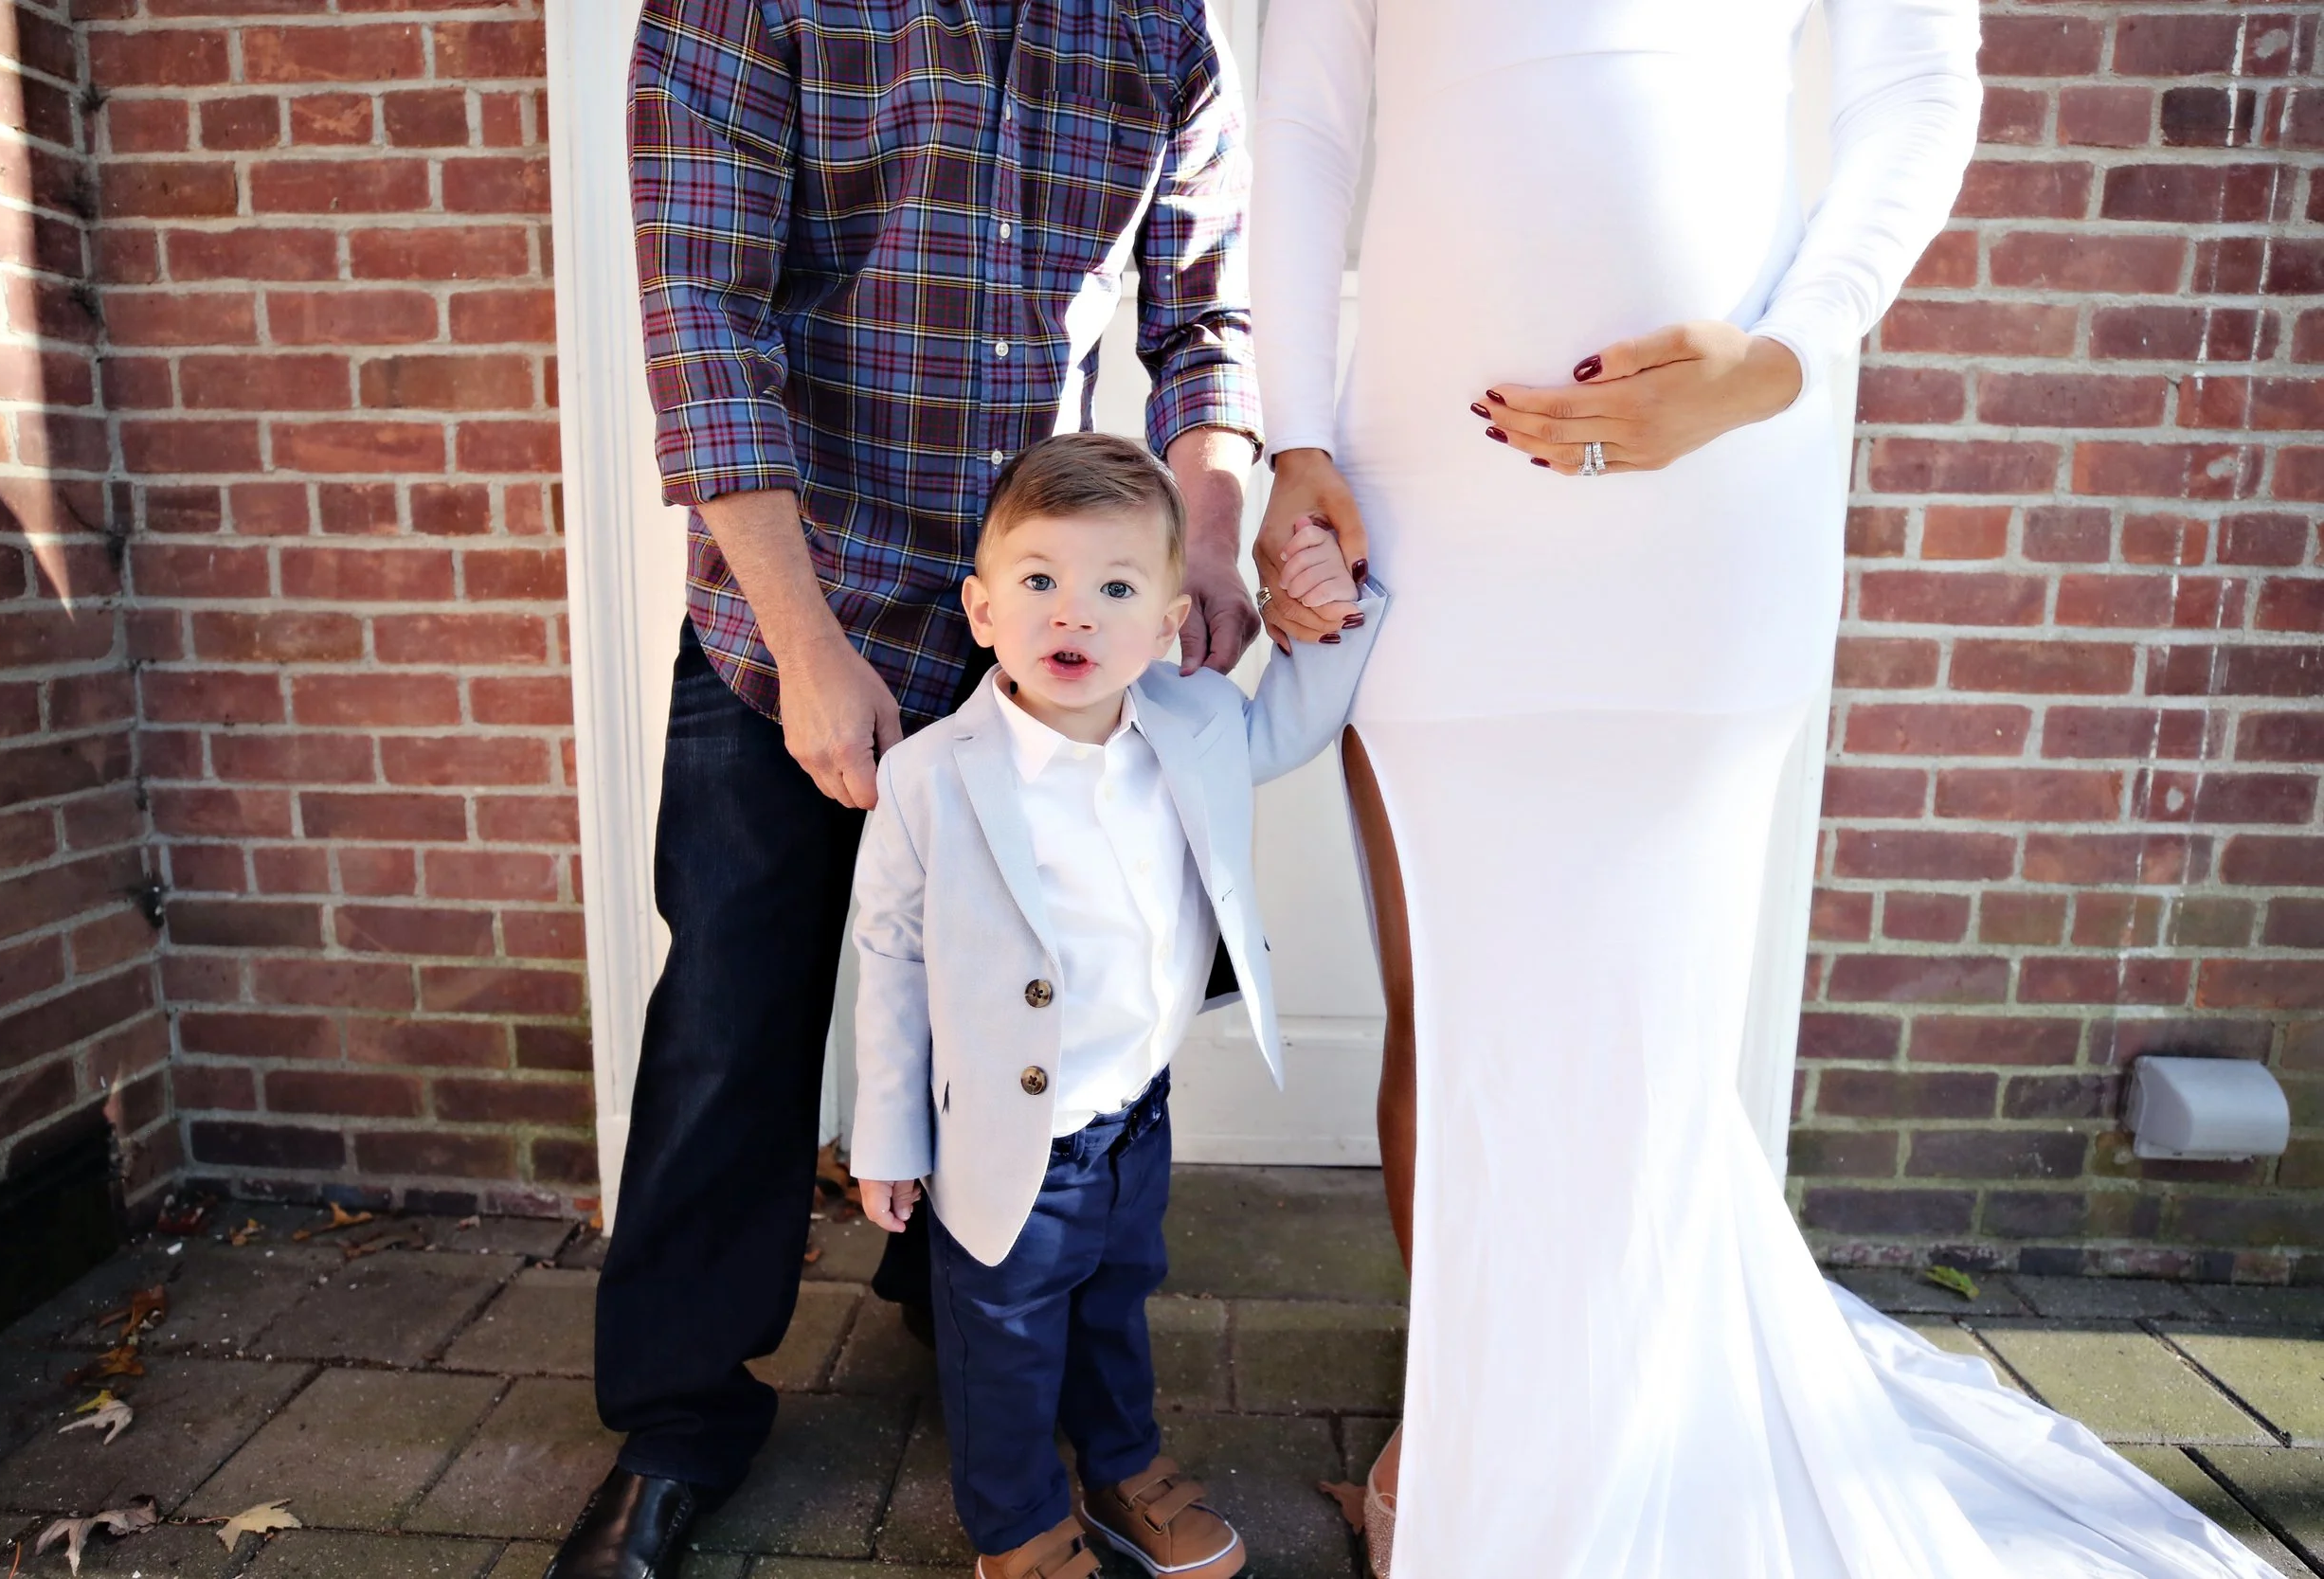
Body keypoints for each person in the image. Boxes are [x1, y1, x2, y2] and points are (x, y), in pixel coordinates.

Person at [1248, 1, 2285, 1576]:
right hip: (1436, 501)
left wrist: (1788, 356)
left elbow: (1920, 87)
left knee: (1654, 1022)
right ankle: (1464, 1440)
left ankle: (1620, 1446)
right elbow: (1307, 122)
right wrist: (1294, 433)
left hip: (1720, 498)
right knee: (1457, 1001)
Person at [555, 2, 1263, 1572]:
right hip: (800, 606)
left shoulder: (1158, 24)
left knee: (1032, 999)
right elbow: (704, 324)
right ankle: (679, 1421)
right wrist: (805, 648)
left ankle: (962, 1299)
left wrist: (1203, 540)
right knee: (734, 1023)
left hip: (1045, 628)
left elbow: (1207, 315)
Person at [849, 434, 1381, 1579]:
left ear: (1168, 623)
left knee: (1113, 1305)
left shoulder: (1192, 728)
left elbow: (1301, 710)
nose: (1073, 616)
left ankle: (1122, 1466)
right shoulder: (931, 775)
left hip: (1135, 1110)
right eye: (1039, 581)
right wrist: (888, 1132)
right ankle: (1020, 1531)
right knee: (1003, 1345)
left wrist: (1341, 601)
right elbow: (889, 953)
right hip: (1003, 1135)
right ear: (983, 609)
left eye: (1116, 588)